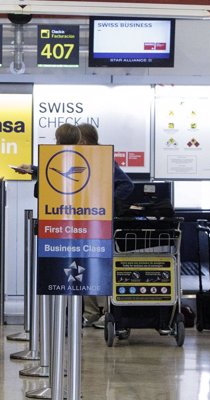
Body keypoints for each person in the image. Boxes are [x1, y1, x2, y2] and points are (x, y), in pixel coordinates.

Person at [74, 123, 134, 328]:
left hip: (100, 223)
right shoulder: (78, 158)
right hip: (81, 221)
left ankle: (105, 311)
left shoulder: (104, 159)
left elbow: (127, 184)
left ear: (83, 141)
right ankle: (90, 312)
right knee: (82, 264)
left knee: (99, 265)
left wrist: (107, 202)